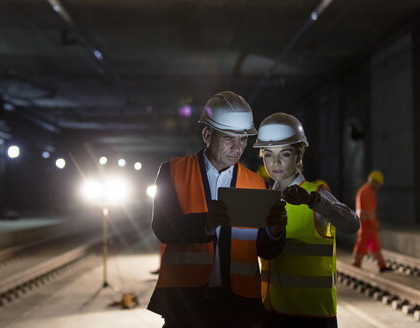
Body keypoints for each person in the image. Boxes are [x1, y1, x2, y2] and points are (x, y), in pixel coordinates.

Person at [147, 91, 288, 328]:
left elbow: (266, 248)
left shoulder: (257, 183)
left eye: (243, 139)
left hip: (238, 306)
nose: (237, 147)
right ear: (206, 135)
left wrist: (275, 231)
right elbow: (161, 227)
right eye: (229, 139)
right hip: (186, 304)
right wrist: (205, 224)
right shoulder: (172, 171)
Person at [253, 112, 360, 328]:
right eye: (268, 155)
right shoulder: (263, 199)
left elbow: (352, 224)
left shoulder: (315, 194)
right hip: (273, 314)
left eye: (284, 154)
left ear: (298, 156)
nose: (275, 163)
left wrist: (313, 201)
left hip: (313, 318)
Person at [352, 170, 391, 272]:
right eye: (378, 183)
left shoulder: (366, 190)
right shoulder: (367, 192)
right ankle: (356, 264)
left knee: (375, 246)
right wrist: (375, 224)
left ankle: (382, 266)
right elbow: (369, 212)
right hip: (366, 225)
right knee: (362, 245)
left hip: (367, 224)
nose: (378, 186)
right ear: (374, 181)